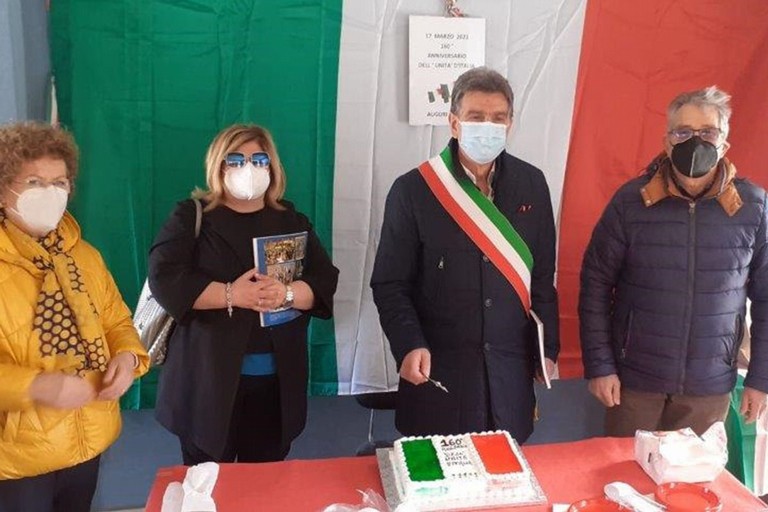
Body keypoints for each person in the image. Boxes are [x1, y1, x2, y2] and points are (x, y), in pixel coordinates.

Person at [370, 67, 559, 442]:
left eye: (498, 118)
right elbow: (390, 284)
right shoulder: (413, 190)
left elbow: (542, 277)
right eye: (476, 117)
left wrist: (547, 348)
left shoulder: (532, 184)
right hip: (439, 376)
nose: (488, 126)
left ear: (510, 123)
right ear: (454, 123)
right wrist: (409, 344)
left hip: (510, 378)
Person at [579, 86, 768, 437]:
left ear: (723, 143)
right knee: (624, 484)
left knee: (692, 487)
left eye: (707, 132)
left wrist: (761, 378)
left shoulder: (753, 208)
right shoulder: (631, 202)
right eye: (683, 132)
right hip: (634, 385)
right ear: (667, 141)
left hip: (708, 389)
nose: (694, 141)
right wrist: (600, 366)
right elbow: (595, 284)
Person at [148, 124, 339, 464]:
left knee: (263, 487)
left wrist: (288, 294)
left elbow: (324, 281)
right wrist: (231, 295)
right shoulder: (192, 216)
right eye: (235, 160)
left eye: (258, 159)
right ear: (218, 166)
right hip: (207, 385)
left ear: (272, 165)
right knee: (208, 484)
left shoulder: (292, 220)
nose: (248, 167)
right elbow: (165, 279)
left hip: (275, 388)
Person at [0, 122, 149, 512]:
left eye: (59, 182)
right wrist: (35, 386)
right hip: (18, 457)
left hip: (88, 439)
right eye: (34, 182)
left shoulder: (85, 256)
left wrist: (128, 358)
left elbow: (118, 321)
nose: (49, 193)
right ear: (3, 190)